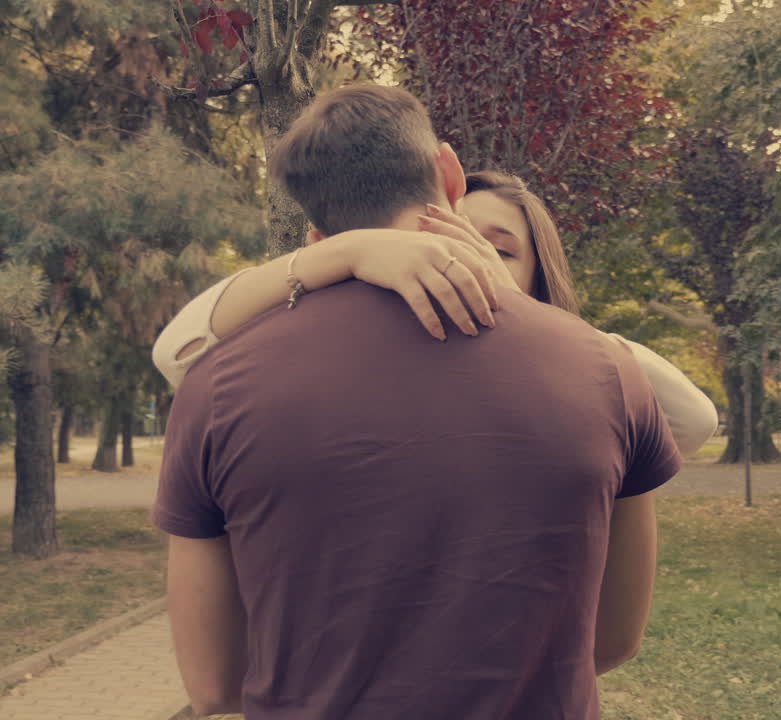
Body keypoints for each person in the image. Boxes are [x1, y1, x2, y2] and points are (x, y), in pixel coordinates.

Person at [152, 83, 696, 720]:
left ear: (316, 232)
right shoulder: (607, 371)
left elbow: (214, 684)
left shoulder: (214, 388)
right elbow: (612, 640)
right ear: (449, 171)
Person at [152, 176, 718, 456]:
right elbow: (178, 355)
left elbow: (690, 424)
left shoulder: (575, 385)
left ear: (537, 278)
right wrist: (335, 256)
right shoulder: (350, 361)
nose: (462, 260)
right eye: (442, 240)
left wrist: (527, 316)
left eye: (497, 250)